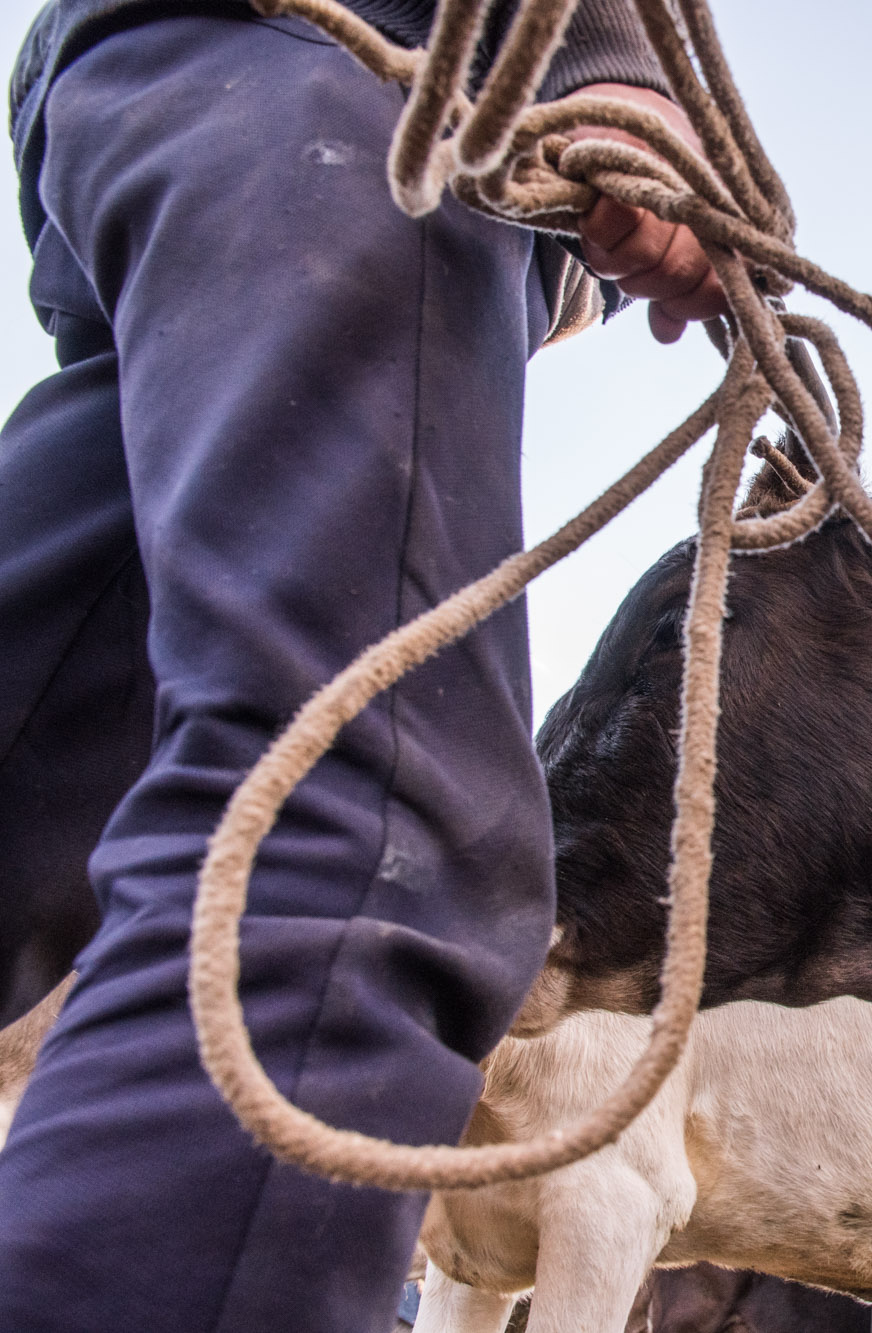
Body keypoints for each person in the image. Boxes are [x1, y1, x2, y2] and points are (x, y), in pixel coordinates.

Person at [0, 0, 727, 1323]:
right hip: (371, 81)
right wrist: (608, 62)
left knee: (39, 738)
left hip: (161, 81)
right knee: (363, 828)